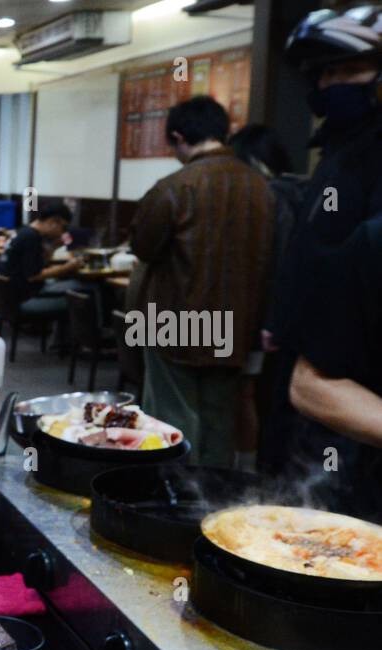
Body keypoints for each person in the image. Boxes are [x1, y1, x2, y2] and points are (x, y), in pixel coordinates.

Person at [269, 5, 382, 519]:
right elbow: (316, 253)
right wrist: (280, 319)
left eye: (348, 70)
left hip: (359, 402)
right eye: (325, 74)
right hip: (314, 380)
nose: (332, 85)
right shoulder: (338, 154)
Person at [128, 96, 274, 467]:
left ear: (178, 137)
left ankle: (169, 502)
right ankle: (213, 507)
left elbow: (143, 246)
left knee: (171, 418)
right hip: (235, 324)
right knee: (219, 421)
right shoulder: (262, 188)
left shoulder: (176, 187)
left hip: (173, 322)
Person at [228, 124, 303, 472]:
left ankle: (247, 469)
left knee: (247, 393)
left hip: (266, 318)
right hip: (290, 317)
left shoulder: (272, 196)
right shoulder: (300, 189)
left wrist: (268, 321)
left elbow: (273, 264)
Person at [0, 200, 82, 340]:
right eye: (63, 227)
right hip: (26, 298)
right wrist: (68, 267)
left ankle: (59, 343)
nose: (63, 232)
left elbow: (33, 265)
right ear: (54, 221)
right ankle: (75, 344)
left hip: (13, 296)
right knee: (80, 294)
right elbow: (34, 276)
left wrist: (54, 248)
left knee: (73, 289)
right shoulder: (32, 238)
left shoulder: (24, 232)